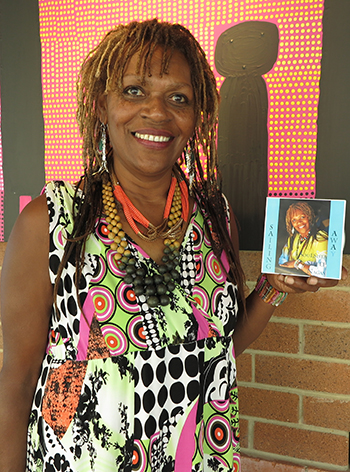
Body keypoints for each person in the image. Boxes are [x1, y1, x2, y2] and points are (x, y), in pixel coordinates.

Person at [0, 19, 345, 472]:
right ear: (102, 105)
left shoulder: (214, 216)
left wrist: (273, 287)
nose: (157, 112)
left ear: (196, 115)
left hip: (197, 456)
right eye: (134, 91)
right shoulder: (53, 220)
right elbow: (18, 381)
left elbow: (217, 350)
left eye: (178, 97)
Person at [278, 202, 329, 277]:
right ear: (291, 224)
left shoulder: (320, 238)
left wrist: (297, 264)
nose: (299, 222)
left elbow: (322, 272)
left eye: (302, 217)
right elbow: (281, 264)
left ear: (309, 217)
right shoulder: (292, 239)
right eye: (294, 220)